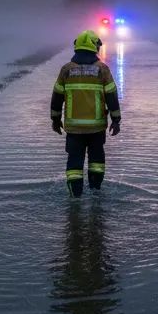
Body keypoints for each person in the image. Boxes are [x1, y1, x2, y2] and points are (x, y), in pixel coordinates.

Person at [50, 30, 122, 197]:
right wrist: (116, 120)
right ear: (93, 47)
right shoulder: (102, 69)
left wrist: (55, 119)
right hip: (97, 128)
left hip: (74, 129)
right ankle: (96, 194)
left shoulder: (66, 70)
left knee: (74, 163)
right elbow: (111, 96)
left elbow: (57, 96)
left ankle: (75, 199)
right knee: (96, 162)